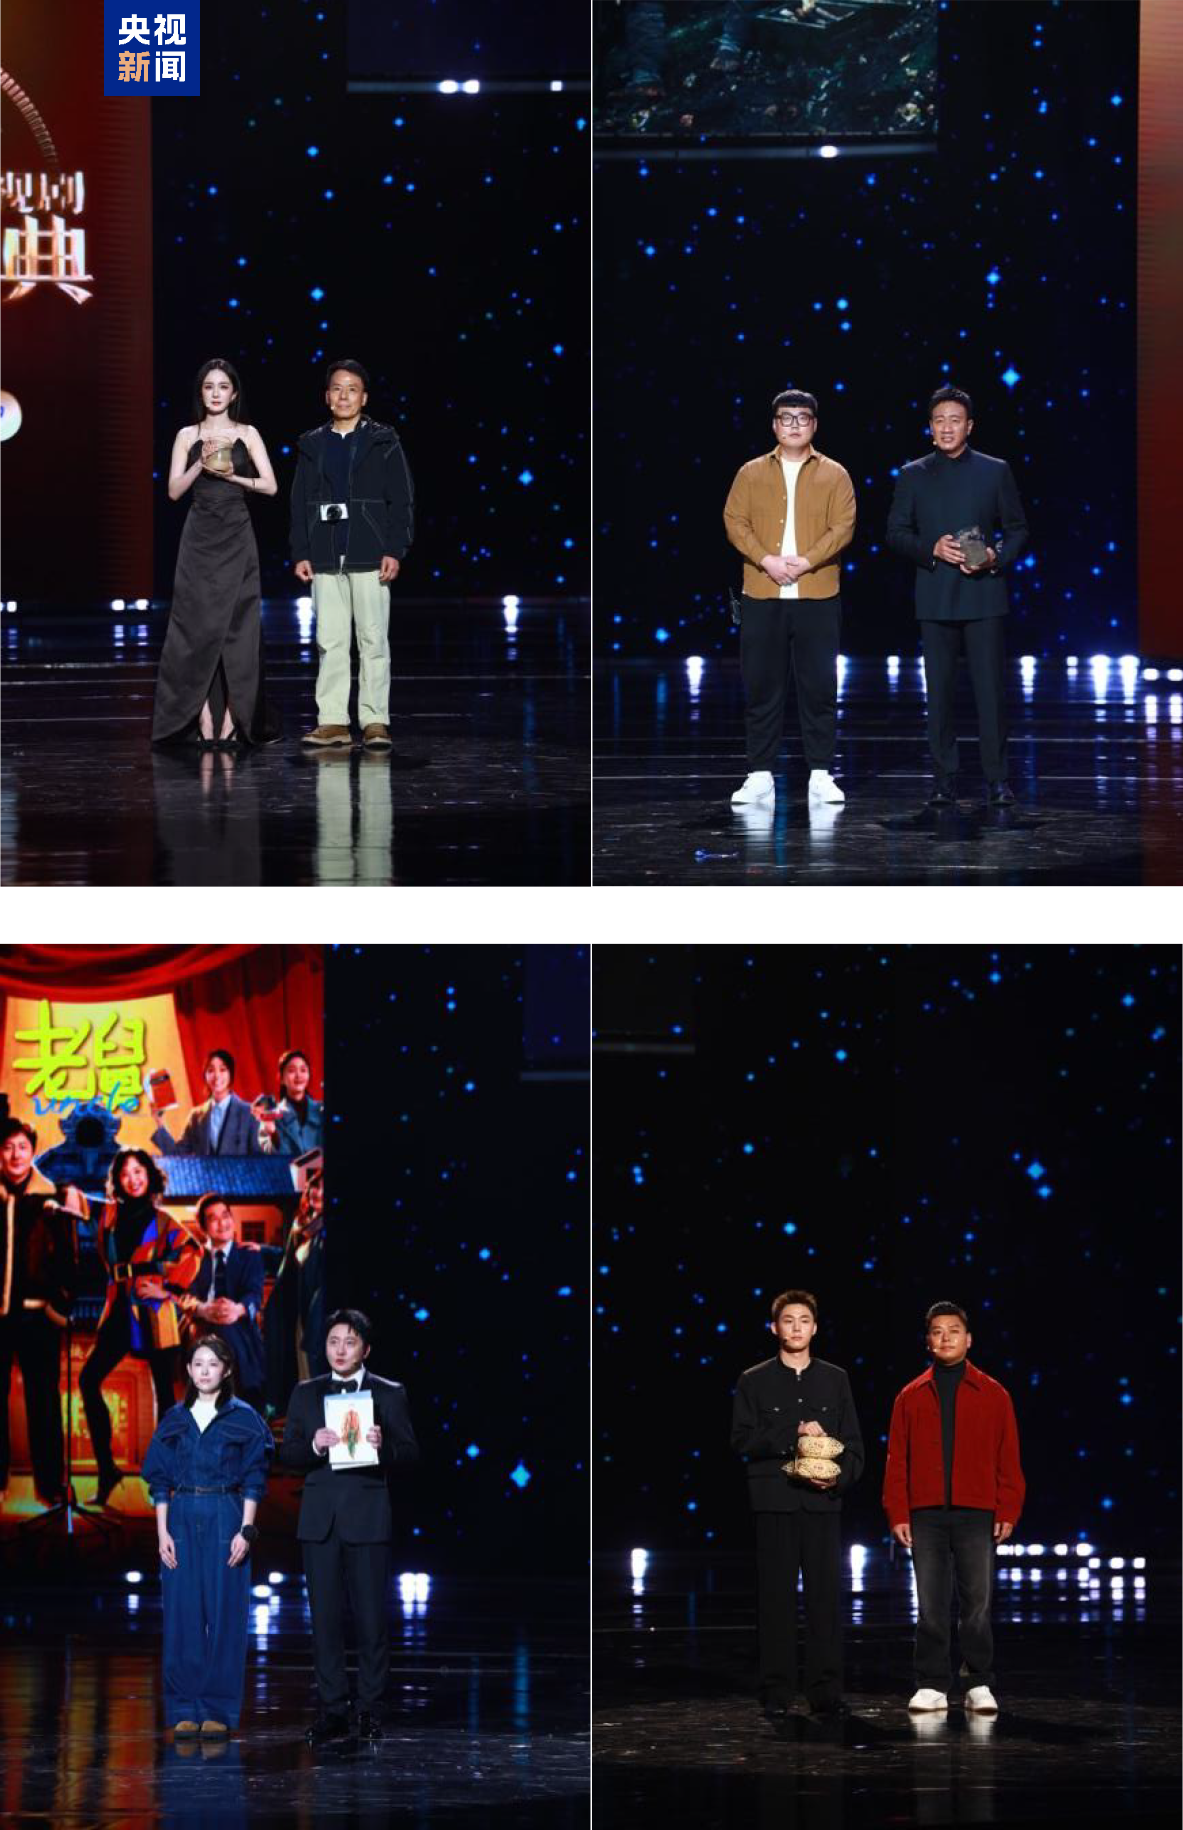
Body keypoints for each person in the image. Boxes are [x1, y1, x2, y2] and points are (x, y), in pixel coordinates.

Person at [279, 1308, 418, 1743]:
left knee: (371, 1621)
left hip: (367, 1518)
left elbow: (410, 1453)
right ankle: (333, 1710)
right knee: (324, 1622)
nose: (340, 1350)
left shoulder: (389, 1393)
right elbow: (288, 1454)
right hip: (319, 1521)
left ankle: (371, 1709)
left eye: (350, 1342)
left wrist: (382, 1445)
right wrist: (314, 1444)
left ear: (366, 1349)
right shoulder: (305, 1393)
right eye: (333, 1342)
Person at [886, 385, 1029, 806]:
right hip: (935, 598)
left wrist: (995, 556)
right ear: (930, 428)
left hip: (984, 597)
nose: (947, 428)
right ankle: (944, 779)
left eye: (955, 420)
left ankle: (997, 779)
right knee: (940, 695)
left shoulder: (995, 470)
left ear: (969, 426)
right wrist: (930, 548)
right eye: (939, 421)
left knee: (991, 694)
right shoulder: (913, 474)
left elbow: (1017, 529)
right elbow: (895, 532)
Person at [882, 1300, 1025, 1716]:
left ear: (969, 1339)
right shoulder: (910, 1395)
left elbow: (1008, 1456)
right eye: (937, 1331)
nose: (945, 1338)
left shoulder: (994, 1393)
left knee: (977, 1604)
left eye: (954, 1331)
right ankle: (931, 1683)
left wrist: (1007, 1508)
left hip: (976, 1512)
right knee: (931, 1605)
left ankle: (979, 1681)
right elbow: (896, 1460)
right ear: (928, 1341)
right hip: (925, 1514)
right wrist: (898, 1511)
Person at [730, 1289, 864, 1717]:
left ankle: (825, 1691)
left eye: (804, 1320)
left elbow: (855, 1445)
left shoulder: (835, 1378)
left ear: (815, 1328)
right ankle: (777, 1691)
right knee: (775, 1600)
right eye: (788, 1320)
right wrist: (794, 1432)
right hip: (774, 1503)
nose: (796, 1328)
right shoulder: (753, 1380)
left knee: (825, 1600)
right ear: (775, 1328)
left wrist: (838, 1480)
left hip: (822, 1504)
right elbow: (742, 1440)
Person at [723, 389, 856, 808]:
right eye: (786, 417)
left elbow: (843, 526)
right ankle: (759, 775)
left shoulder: (835, 474)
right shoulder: (750, 473)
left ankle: (821, 774)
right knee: (762, 687)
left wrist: (806, 561)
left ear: (814, 424)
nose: (794, 424)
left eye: (802, 418)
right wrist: (767, 560)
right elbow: (734, 521)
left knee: (819, 688)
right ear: (774, 425)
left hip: (818, 594)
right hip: (763, 594)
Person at [141, 1335, 274, 1738]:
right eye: (198, 1363)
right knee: (181, 1615)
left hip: (225, 1513)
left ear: (227, 1370)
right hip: (181, 1515)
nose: (204, 1371)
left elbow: (255, 1478)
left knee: (225, 1615)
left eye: (213, 1364)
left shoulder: (244, 1418)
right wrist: (162, 1532)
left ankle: (217, 1709)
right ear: (188, 1370)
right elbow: (159, 1480)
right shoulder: (175, 1418)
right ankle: (183, 1706)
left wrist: (246, 1530)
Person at [152, 356, 281, 749]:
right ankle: (200, 715)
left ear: (234, 393)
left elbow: (271, 486)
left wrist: (233, 476)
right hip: (199, 537)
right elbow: (173, 491)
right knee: (195, 626)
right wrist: (200, 464)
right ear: (201, 392)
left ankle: (233, 717)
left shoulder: (247, 433)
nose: (215, 393)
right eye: (209, 387)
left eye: (223, 387)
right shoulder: (186, 435)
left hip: (236, 534)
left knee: (237, 626)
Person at [290, 358, 415, 752]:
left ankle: (375, 721)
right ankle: (332, 722)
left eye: (352, 389)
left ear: (364, 398)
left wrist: (394, 548)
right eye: (337, 389)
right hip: (325, 555)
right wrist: (301, 551)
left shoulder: (383, 440)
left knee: (373, 640)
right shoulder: (312, 444)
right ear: (327, 397)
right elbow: (298, 502)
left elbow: (402, 499)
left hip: (369, 553)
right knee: (330, 641)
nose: (344, 396)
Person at [80, 1148, 204, 1507]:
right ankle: (107, 1470)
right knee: (88, 1380)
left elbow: (193, 1252)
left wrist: (168, 1287)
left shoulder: (163, 1220)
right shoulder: (108, 1215)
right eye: (125, 1173)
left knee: (165, 1396)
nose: (132, 1179)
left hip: (154, 1311)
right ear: (117, 1181)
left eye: (139, 1171)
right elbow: (81, 1212)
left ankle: (165, 1480)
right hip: (119, 1308)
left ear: (149, 1176)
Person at [0, 1119, 84, 1505]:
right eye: (7, 1147)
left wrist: (59, 1307)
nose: (15, 1155)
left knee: (44, 1402)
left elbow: (70, 1259)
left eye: (22, 1147)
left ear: (32, 1152)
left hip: (39, 1317)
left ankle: (49, 1485)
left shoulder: (53, 1197)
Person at [181, 1196, 266, 1413]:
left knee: (227, 1332)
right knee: (215, 1337)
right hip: (202, 1325)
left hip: (238, 1326)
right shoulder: (194, 1257)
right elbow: (186, 1296)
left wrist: (237, 1310)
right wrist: (204, 1309)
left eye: (226, 1216)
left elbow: (254, 1295)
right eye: (213, 1219)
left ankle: (229, 1404)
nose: (222, 1223)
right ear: (203, 1228)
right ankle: (244, 1401)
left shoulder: (248, 1255)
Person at [263, 1171, 326, 1410]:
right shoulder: (303, 1225)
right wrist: (260, 1250)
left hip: (321, 1315)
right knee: (304, 1373)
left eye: (324, 1188)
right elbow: (291, 1263)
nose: (317, 1193)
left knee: (321, 1373)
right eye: (314, 1186)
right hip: (300, 1313)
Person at [151, 1048, 265, 1157]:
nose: (217, 1076)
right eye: (210, 1070)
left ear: (231, 1074)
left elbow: (259, 1159)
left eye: (222, 1070)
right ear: (205, 1075)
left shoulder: (249, 1113)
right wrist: (160, 1122)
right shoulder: (196, 1117)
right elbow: (177, 1155)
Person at [255, 1048, 324, 1156]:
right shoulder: (271, 1115)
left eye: (303, 1070)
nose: (298, 1075)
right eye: (291, 1070)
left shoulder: (321, 1110)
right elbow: (266, 1154)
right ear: (281, 1078)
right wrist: (273, 1134)